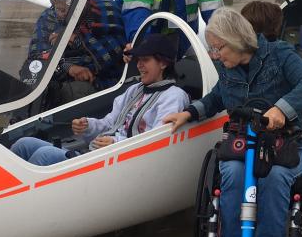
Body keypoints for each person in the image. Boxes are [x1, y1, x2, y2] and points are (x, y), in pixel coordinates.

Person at [163, 8, 302, 237]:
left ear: (237, 40)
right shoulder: (228, 70)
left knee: (275, 180)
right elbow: (216, 98)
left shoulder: (280, 55)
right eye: (212, 48)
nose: (216, 54)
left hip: (286, 145)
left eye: (219, 47)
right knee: (233, 174)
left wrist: (282, 109)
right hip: (244, 146)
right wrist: (189, 113)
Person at [12, 33, 189, 165]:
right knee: (23, 143)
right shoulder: (135, 89)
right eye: (138, 60)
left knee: (44, 155)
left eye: (145, 60)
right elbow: (110, 122)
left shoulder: (173, 96)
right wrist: (88, 125)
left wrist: (115, 143)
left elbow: (157, 141)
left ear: (164, 63)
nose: (139, 65)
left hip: (123, 163)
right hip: (101, 154)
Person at [27, 0, 126, 105]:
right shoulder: (49, 17)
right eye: (59, 9)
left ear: (82, 1)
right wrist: (68, 67)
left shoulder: (107, 9)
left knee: (72, 94)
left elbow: (115, 53)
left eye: (68, 9)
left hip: (101, 81)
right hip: (57, 76)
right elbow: (36, 56)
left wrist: (77, 41)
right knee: (29, 88)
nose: (62, 14)